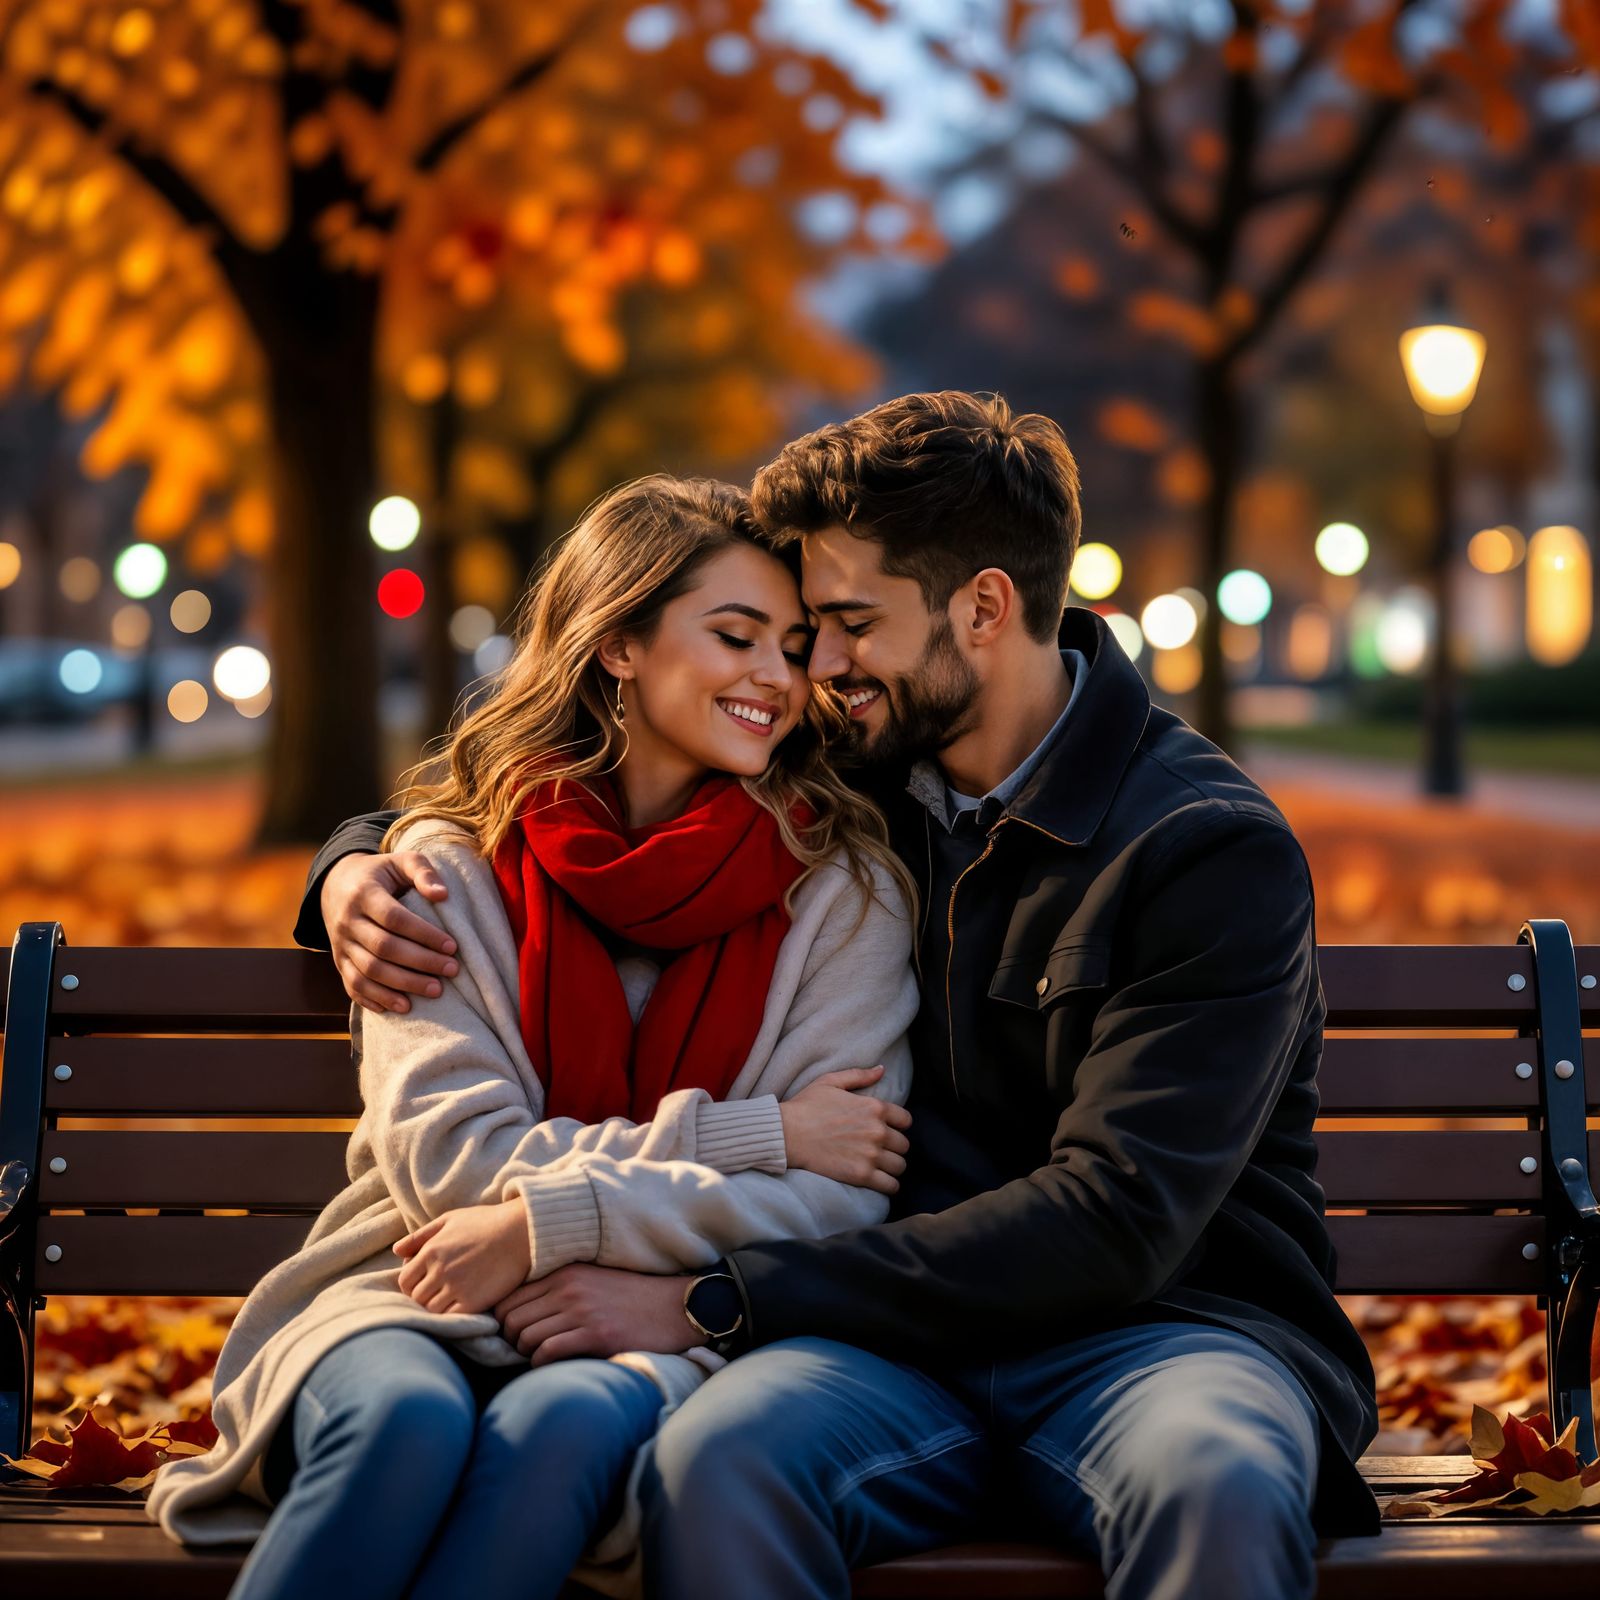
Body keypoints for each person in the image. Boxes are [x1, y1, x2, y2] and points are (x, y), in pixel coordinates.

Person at [305, 393, 1381, 1600]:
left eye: (849, 622)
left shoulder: (1200, 845)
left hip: (1166, 1335)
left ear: (982, 608)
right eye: (810, 625)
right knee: (718, 1458)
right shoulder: (860, 779)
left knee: (1219, 1477)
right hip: (885, 1352)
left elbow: (1117, 1218)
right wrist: (350, 863)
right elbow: (573, 785)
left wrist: (714, 1300)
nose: (816, 665)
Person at [145, 476, 921, 1600]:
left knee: (565, 1419)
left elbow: (839, 1197)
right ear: (616, 644)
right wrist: (763, 1132)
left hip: (658, 1325)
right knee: (402, 1419)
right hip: (414, 1283)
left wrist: (546, 1224)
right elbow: (452, 1165)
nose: (776, 677)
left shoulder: (843, 892)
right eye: (735, 635)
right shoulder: (444, 866)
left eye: (792, 647)